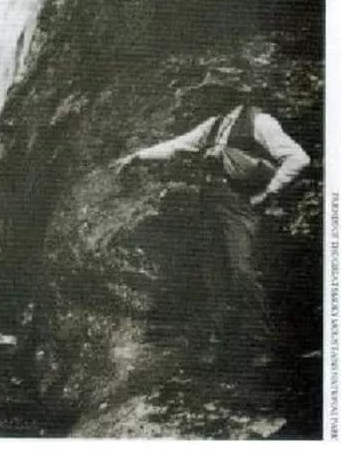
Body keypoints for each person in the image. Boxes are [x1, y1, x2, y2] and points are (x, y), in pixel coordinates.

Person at [112, 75, 310, 362]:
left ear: (235, 93)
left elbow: (298, 158)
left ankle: (259, 344)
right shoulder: (214, 124)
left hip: (238, 204)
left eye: (217, 91)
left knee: (241, 270)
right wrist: (137, 156)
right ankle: (220, 343)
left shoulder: (260, 121)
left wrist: (269, 192)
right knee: (213, 273)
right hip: (210, 202)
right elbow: (178, 144)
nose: (211, 96)